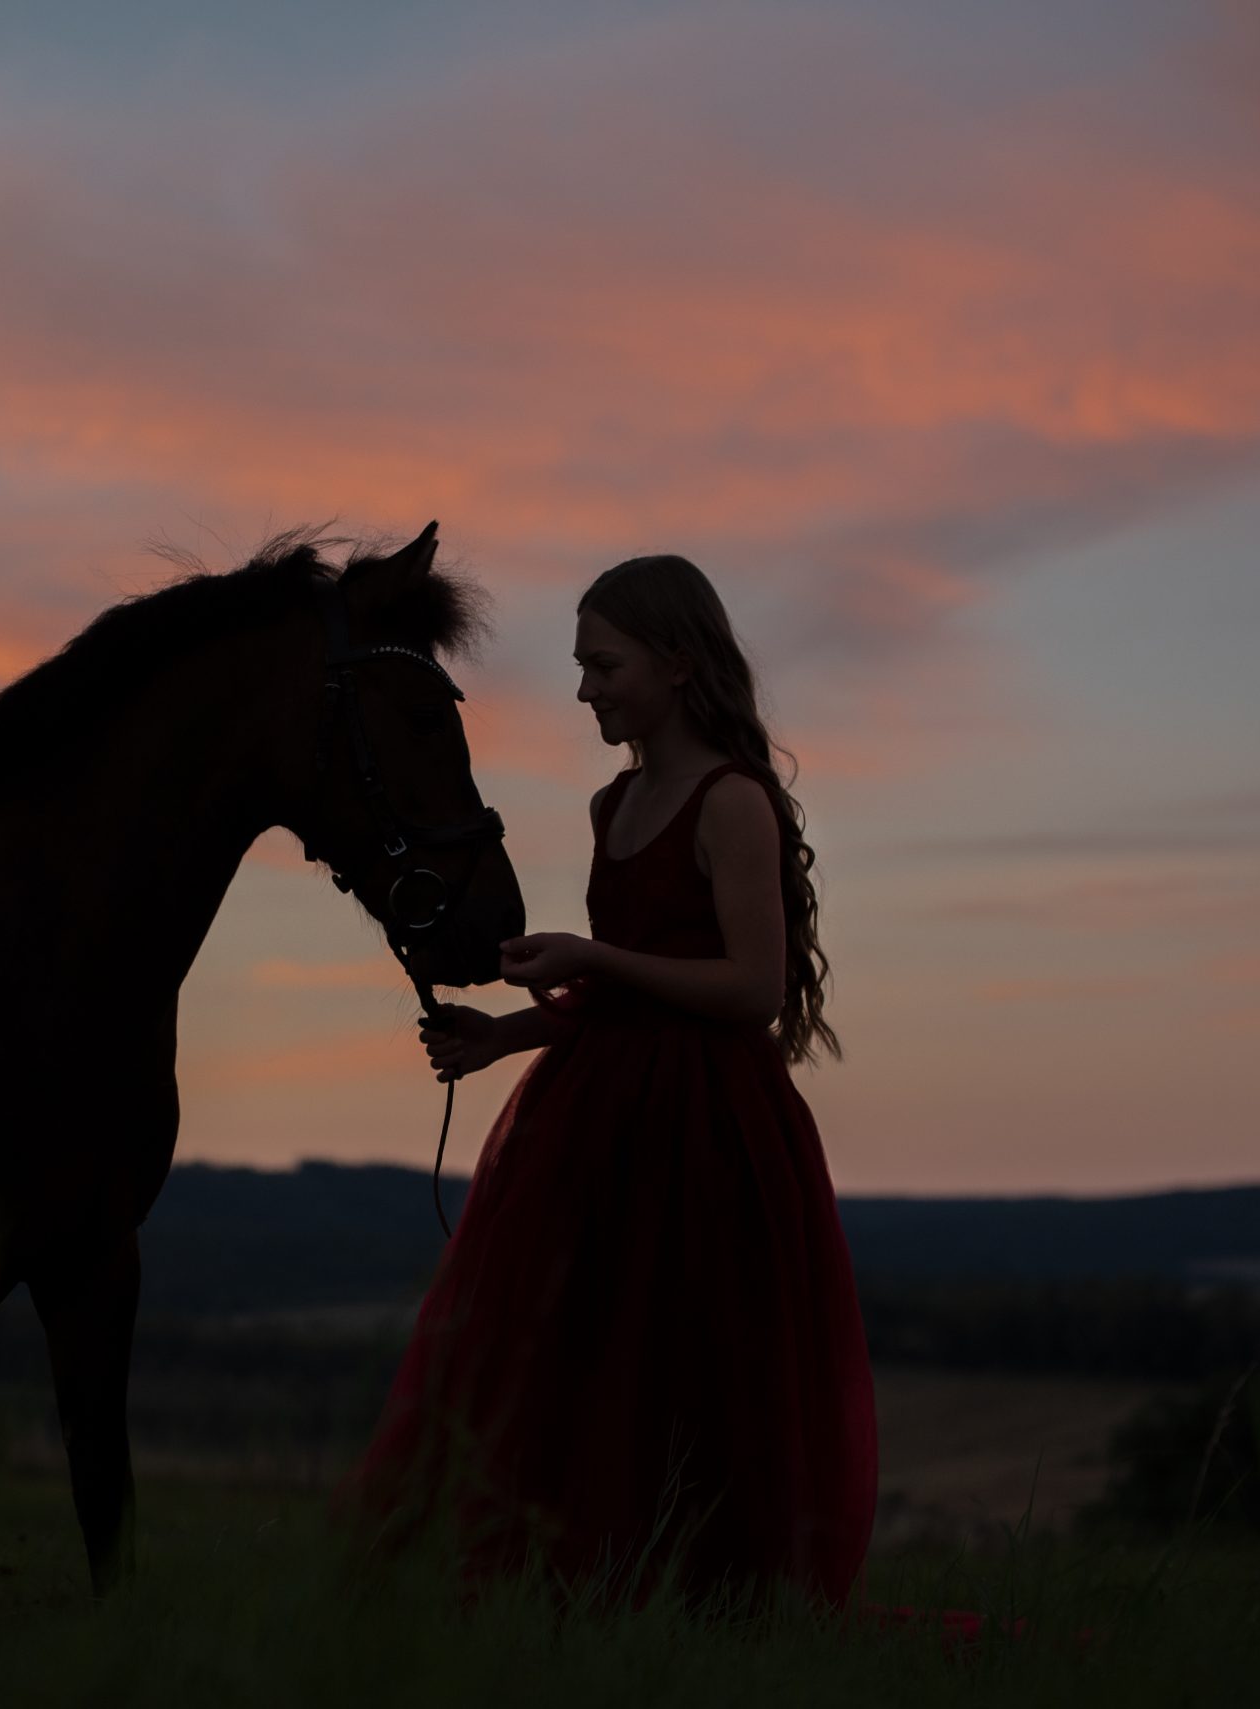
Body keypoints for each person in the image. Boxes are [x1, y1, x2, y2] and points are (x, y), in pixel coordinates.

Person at [338, 552, 877, 1617]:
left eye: (602, 664)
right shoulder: (613, 802)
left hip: (712, 1130)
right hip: (598, 1118)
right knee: (578, 1364)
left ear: (677, 664)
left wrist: (594, 957)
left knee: (693, 1365)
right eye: (581, 666)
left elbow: (752, 988)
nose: (584, 687)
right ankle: (579, 1595)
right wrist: (506, 1035)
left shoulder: (732, 803)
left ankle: (713, 1605)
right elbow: (626, 999)